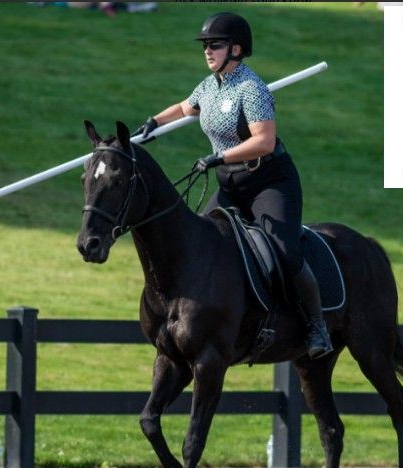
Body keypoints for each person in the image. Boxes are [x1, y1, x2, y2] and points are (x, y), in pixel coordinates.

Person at [131, 12, 333, 360]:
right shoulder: (210, 86)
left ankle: (317, 327)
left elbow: (264, 141)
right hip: (231, 183)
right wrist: (153, 122)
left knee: (284, 250)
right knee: (201, 244)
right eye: (206, 45)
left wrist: (218, 158)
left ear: (236, 49)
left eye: (215, 45)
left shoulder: (252, 89)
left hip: (269, 181)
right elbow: (185, 107)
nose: (207, 51)